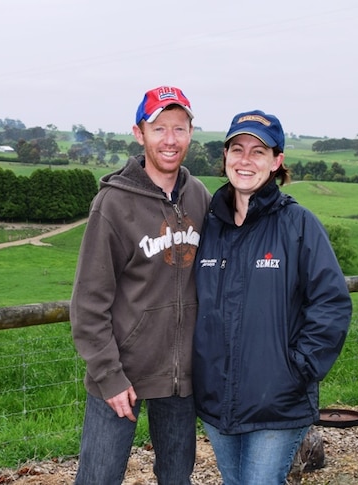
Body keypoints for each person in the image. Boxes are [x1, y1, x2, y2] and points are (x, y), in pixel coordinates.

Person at [192, 110, 352, 484]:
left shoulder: (298, 225)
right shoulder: (209, 226)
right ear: (226, 157)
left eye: (258, 151)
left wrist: (298, 368)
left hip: (277, 400)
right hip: (216, 398)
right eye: (237, 149)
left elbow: (332, 303)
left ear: (277, 161)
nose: (245, 160)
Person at [70, 86, 212, 484]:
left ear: (190, 133)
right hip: (121, 374)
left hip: (180, 376)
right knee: (99, 478)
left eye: (179, 129)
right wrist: (109, 375)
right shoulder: (113, 204)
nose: (170, 140)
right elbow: (88, 302)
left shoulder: (198, 196)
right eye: (159, 128)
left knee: (176, 477)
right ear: (139, 133)